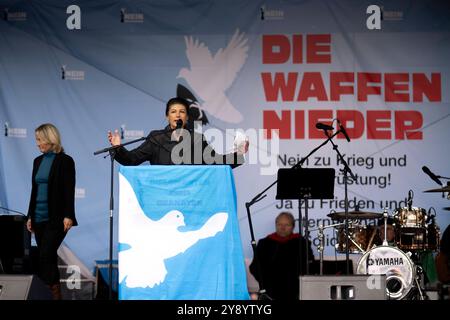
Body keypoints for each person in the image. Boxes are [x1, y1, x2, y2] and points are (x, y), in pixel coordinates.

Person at [107, 97, 248, 167]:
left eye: (182, 112)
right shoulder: (156, 138)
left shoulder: (196, 139)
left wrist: (239, 153)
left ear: (186, 117)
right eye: (173, 112)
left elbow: (217, 163)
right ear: (167, 116)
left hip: (191, 200)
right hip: (161, 200)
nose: (178, 115)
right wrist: (118, 148)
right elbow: (132, 159)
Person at [26, 123, 77, 300]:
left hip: (56, 219)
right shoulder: (37, 161)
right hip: (38, 217)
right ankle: (52, 296)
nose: (37, 143)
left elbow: (68, 190)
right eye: (36, 140)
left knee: (46, 254)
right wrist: (30, 215)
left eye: (39, 140)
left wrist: (69, 215)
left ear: (49, 139)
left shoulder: (65, 161)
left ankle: (52, 295)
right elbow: (34, 190)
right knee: (45, 257)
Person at [249, 212, 314, 300]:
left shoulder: (301, 243)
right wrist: (265, 283)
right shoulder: (264, 243)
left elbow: (309, 264)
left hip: (295, 290)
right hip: (270, 289)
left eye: (287, 225)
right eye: (280, 224)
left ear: (293, 226)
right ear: (276, 225)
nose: (283, 228)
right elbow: (254, 267)